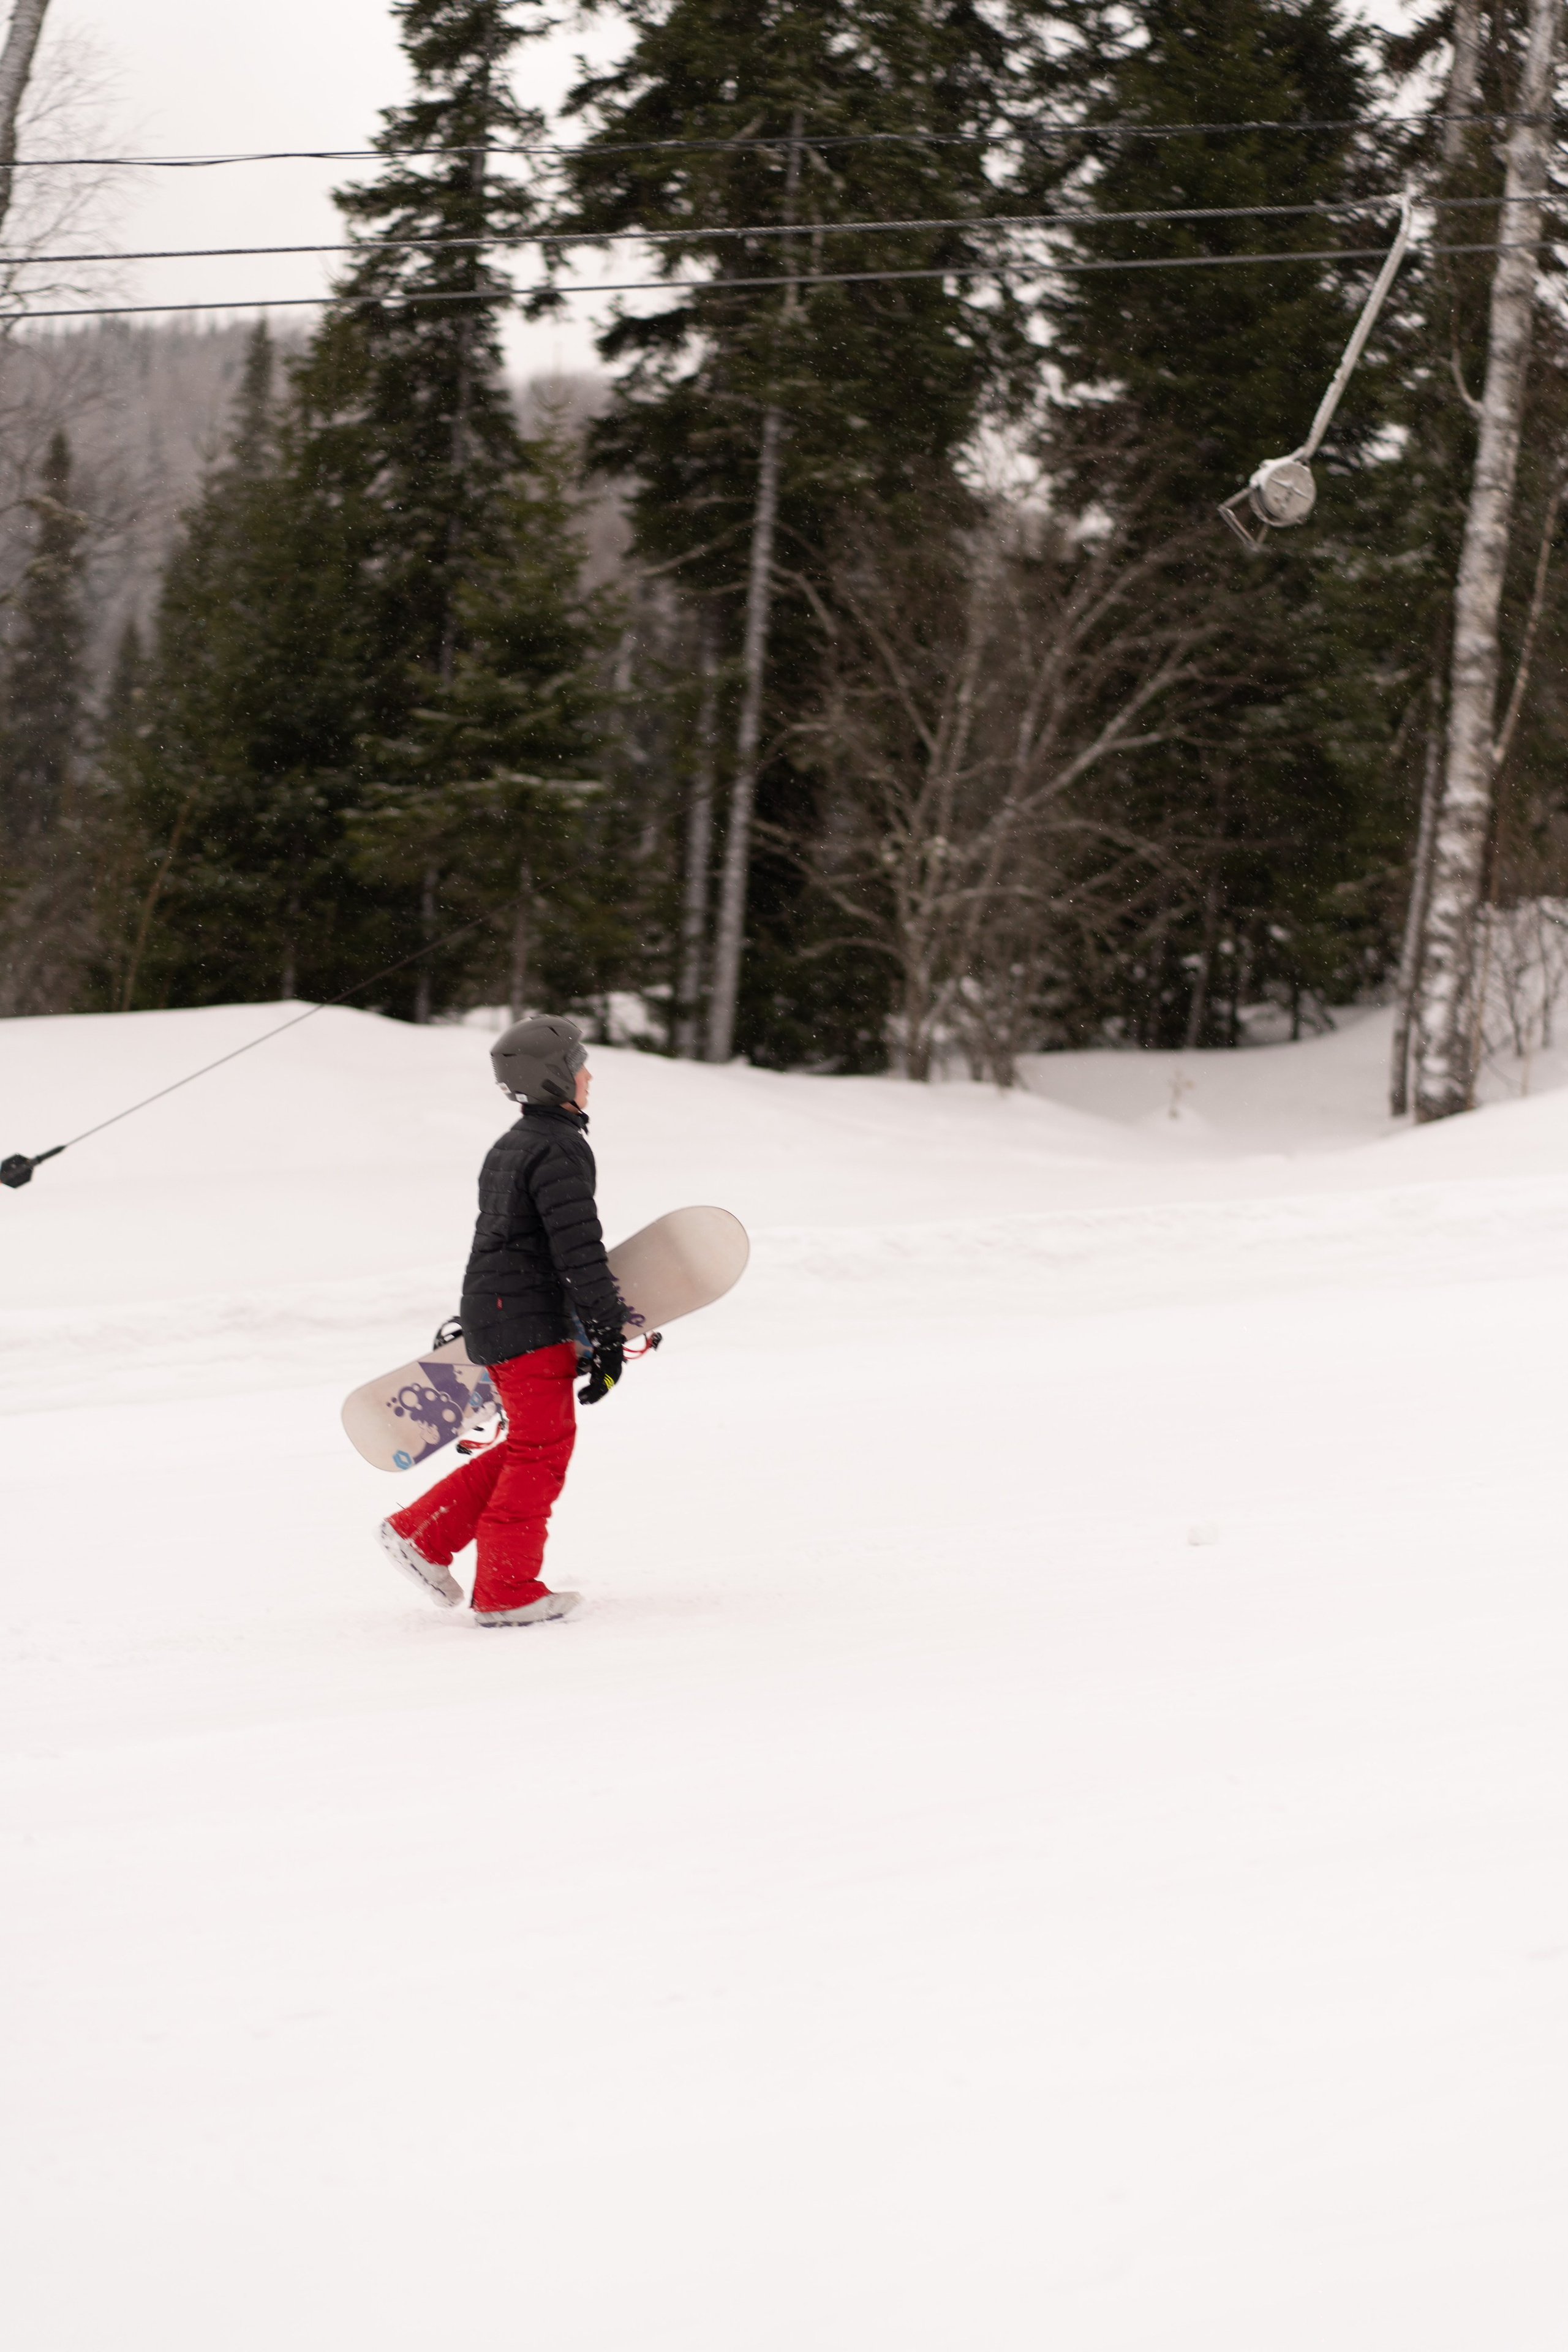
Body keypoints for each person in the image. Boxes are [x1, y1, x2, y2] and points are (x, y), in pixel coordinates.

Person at [375, 1014, 625, 1626]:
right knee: (542, 1452)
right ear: (554, 1077)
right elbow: (577, 1251)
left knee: (530, 1446)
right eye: (578, 1062)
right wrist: (608, 1331)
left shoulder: (516, 1143)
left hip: (501, 1312)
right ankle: (506, 1588)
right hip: (526, 1320)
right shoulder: (560, 1146)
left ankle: (423, 1536)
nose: (589, 1072)